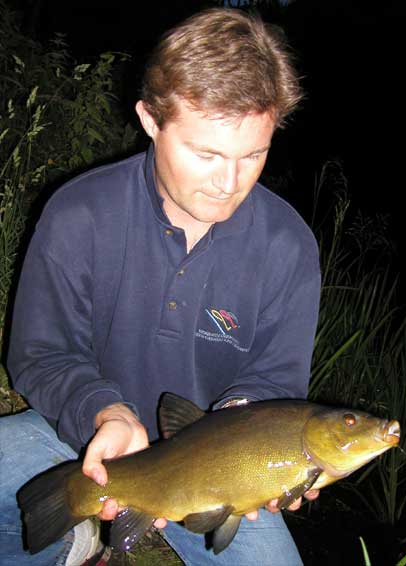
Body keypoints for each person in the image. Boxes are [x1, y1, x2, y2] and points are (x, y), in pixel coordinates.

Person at [0, 7, 321, 566]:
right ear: (151, 119)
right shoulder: (81, 213)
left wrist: (265, 453)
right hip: (87, 437)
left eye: (254, 155)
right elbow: (41, 352)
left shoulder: (288, 247)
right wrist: (104, 412)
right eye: (207, 154)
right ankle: (72, 539)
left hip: (214, 470)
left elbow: (272, 381)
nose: (230, 182)